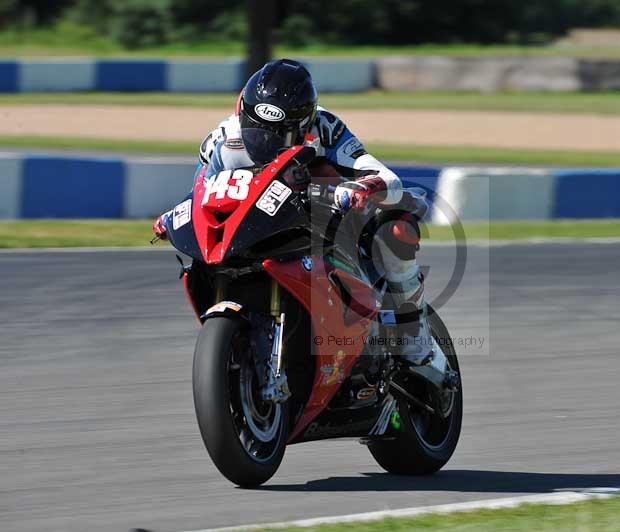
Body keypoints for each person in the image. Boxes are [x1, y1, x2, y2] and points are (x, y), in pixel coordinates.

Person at [153, 58, 444, 372]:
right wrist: (175, 215)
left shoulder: (327, 128)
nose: (267, 140)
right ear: (243, 112)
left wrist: (356, 189)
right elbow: (202, 189)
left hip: (318, 213)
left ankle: (412, 331)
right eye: (258, 129)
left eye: (281, 133)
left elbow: (384, 177)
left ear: (304, 124)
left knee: (397, 226)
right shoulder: (220, 140)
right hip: (256, 224)